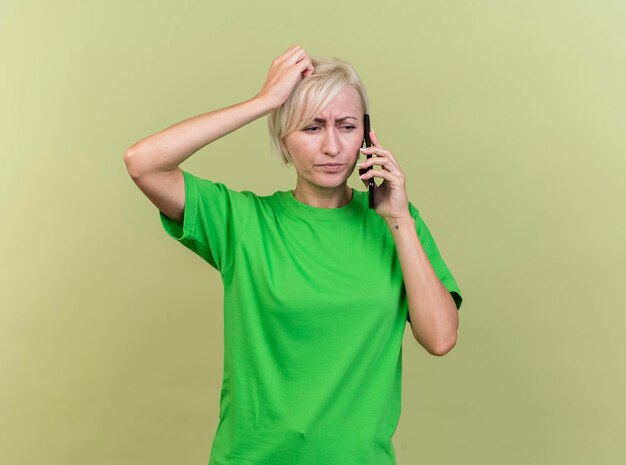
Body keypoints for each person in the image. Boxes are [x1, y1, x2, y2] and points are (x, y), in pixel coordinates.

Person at [123, 44, 463, 465]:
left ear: (367, 135)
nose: (333, 147)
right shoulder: (243, 222)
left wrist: (399, 220)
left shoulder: (396, 224)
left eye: (347, 126)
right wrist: (263, 102)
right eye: (312, 128)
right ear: (283, 141)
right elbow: (142, 163)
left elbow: (441, 338)